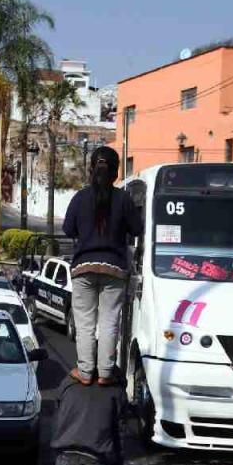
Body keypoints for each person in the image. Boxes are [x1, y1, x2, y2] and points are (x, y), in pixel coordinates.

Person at [63, 146, 143, 386]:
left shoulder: (80, 197)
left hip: (83, 269)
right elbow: (138, 229)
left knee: (85, 323)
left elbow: (68, 229)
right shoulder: (124, 199)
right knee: (109, 322)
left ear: (91, 169)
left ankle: (85, 372)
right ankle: (105, 373)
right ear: (116, 172)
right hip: (114, 269)